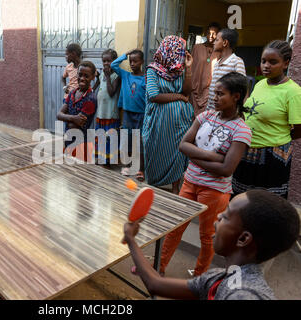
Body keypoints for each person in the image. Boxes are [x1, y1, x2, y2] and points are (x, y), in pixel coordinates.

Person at [123, 189, 300, 300]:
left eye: (227, 215)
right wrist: (131, 239)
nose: (218, 217)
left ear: (243, 239)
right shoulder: (218, 278)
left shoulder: (245, 294)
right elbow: (156, 285)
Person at [159, 72, 252, 277]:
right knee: (175, 227)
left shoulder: (242, 130)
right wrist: (213, 156)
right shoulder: (205, 116)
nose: (215, 98)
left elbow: (227, 169)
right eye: (214, 93)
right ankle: (160, 267)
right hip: (189, 182)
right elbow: (183, 145)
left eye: (220, 94)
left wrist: (195, 156)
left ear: (236, 96)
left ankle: (200, 276)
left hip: (215, 190)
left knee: (208, 236)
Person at [232, 40, 301, 199]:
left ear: (286, 63)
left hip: (272, 155)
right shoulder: (261, 84)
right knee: (242, 200)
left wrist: (277, 137)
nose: (266, 65)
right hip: (248, 149)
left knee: (266, 203)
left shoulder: (293, 92)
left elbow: (299, 128)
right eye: (263, 61)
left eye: (273, 62)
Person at [142, 36, 193, 194]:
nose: (182, 55)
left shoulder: (180, 69)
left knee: (177, 153)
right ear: (170, 51)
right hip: (158, 122)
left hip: (179, 123)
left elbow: (186, 92)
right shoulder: (153, 70)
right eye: (180, 51)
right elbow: (154, 95)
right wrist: (178, 97)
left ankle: (175, 188)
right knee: (154, 150)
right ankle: (154, 184)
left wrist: (189, 68)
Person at [110, 49, 146, 181]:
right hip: (127, 114)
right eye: (130, 61)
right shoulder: (125, 75)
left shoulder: (146, 78)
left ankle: (140, 169)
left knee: (140, 142)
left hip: (141, 115)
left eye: (135, 61)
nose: (132, 63)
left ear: (141, 61)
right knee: (126, 140)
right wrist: (126, 54)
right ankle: (127, 166)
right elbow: (113, 65)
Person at [57, 61, 97, 161]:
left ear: (92, 77)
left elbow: (73, 125)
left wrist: (65, 117)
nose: (82, 78)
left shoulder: (91, 99)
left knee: (79, 172)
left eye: (86, 76)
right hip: (68, 140)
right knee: (68, 170)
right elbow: (58, 115)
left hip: (81, 144)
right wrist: (73, 118)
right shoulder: (72, 93)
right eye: (80, 75)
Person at [207, 29, 246, 110]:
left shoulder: (237, 61)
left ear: (225, 43)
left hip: (225, 111)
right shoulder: (217, 63)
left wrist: (240, 110)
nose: (214, 42)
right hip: (212, 110)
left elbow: (242, 87)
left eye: (217, 40)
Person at [95, 49, 121, 166]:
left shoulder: (116, 76)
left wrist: (108, 76)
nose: (106, 63)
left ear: (115, 62)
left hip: (111, 114)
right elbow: (97, 87)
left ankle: (108, 160)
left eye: (108, 61)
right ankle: (101, 157)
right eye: (104, 61)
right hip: (101, 113)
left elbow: (111, 92)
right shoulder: (101, 76)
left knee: (109, 137)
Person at [190, 22, 221, 115]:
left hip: (209, 91)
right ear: (205, 34)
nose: (211, 36)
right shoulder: (197, 48)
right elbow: (191, 67)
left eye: (214, 33)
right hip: (194, 90)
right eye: (209, 33)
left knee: (204, 118)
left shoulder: (220, 52)